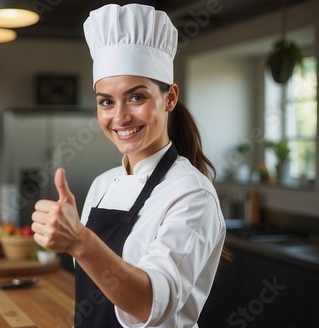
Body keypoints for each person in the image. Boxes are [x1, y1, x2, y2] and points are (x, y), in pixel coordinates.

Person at [31, 4, 229, 327]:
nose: (120, 117)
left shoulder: (192, 194)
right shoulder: (102, 185)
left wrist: (81, 241)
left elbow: (150, 304)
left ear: (169, 98)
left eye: (136, 97)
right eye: (106, 101)